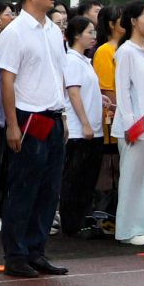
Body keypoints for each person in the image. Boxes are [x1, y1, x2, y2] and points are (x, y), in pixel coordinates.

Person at [0, 0, 72, 276]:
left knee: (49, 190)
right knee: (23, 188)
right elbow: (7, 79)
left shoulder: (53, 31)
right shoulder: (14, 32)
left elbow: (58, 76)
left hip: (53, 117)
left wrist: (63, 115)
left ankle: (36, 250)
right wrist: (12, 125)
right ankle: (16, 255)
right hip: (29, 117)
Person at [112, 3, 144, 245]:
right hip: (134, 126)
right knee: (133, 179)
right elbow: (122, 91)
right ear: (133, 20)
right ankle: (128, 230)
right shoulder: (126, 52)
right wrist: (130, 124)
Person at [61, 16, 106, 238]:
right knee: (74, 180)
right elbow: (73, 93)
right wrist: (86, 124)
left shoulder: (84, 61)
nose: (93, 36)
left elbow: (85, 91)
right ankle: (72, 224)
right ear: (76, 35)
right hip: (79, 132)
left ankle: (82, 221)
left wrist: (100, 99)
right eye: (89, 32)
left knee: (87, 180)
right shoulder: (71, 60)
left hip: (93, 131)